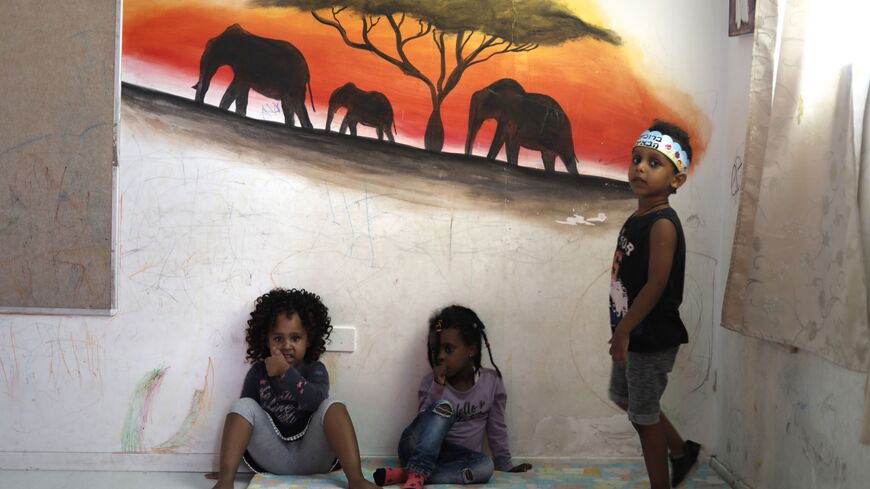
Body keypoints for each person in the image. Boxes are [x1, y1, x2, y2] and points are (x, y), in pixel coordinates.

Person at [609, 120, 702, 489]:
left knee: (643, 417)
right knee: (625, 398)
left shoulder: (662, 223)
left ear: (675, 179)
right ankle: (680, 450)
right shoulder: (638, 216)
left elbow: (656, 284)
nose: (640, 168)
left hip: (650, 336)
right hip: (633, 332)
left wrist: (624, 330)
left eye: (654, 162)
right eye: (637, 159)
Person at [208, 288, 378, 489]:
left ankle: (356, 480)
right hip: (273, 456)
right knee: (243, 405)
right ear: (267, 340)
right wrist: (230, 465)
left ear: (309, 340)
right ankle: (226, 480)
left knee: (333, 406)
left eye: (295, 338)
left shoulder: (315, 369)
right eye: (278, 338)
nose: (286, 345)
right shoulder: (258, 372)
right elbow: (246, 419)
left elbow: (315, 402)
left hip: (314, 456)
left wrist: (286, 372)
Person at [373, 305, 531, 488]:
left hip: (456, 459)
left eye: (448, 349)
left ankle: (409, 473)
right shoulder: (429, 383)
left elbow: (497, 428)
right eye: (435, 350)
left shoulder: (492, 383)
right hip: (417, 450)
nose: (439, 357)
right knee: (443, 409)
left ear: (471, 350)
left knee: (486, 467)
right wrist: (437, 388)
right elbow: (424, 426)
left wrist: (504, 464)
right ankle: (416, 469)